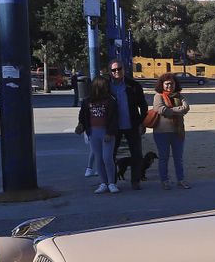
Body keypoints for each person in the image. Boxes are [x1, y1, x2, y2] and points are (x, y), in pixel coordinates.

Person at [109, 61, 148, 189]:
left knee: (136, 154)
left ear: (123, 69)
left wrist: (143, 122)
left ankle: (135, 181)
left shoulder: (133, 85)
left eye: (118, 69)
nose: (116, 72)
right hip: (114, 126)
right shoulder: (106, 86)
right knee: (111, 154)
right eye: (113, 70)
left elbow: (143, 105)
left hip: (133, 124)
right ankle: (111, 181)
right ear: (110, 71)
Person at [78, 74, 120, 194]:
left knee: (107, 157)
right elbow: (82, 116)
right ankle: (103, 183)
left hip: (107, 133)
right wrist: (81, 126)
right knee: (98, 158)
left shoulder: (111, 101)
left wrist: (110, 132)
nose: (106, 88)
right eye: (104, 86)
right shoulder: (87, 101)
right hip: (93, 132)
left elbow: (114, 118)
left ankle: (111, 183)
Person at [152, 72, 191, 189]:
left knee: (178, 158)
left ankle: (181, 179)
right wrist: (178, 110)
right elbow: (160, 109)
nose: (170, 86)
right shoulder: (158, 96)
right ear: (162, 84)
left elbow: (186, 108)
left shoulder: (179, 96)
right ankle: (165, 181)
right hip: (161, 133)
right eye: (167, 84)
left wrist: (171, 110)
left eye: (172, 84)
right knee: (163, 158)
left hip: (178, 131)